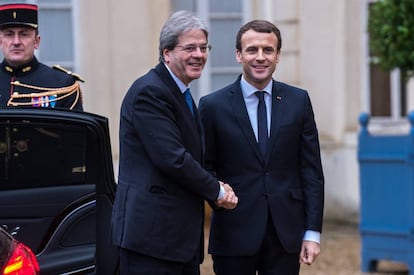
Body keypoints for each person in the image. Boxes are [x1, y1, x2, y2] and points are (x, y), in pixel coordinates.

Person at [110, 10, 238, 275]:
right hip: (150, 242)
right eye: (189, 48)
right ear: (166, 53)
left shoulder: (178, 92)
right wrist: (217, 191)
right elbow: (173, 158)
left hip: (174, 242)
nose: (199, 55)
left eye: (203, 48)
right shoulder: (150, 92)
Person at [198, 19, 325, 275]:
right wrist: (218, 195)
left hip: (285, 236)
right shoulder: (212, 106)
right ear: (238, 54)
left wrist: (312, 232)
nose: (260, 57)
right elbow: (203, 166)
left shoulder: (298, 101)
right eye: (251, 50)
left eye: (268, 50)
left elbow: (311, 171)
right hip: (233, 233)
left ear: (278, 55)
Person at [0, 3, 83, 110]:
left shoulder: (63, 84)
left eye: (24, 34)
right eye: (9, 34)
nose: (16, 42)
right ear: (1, 42)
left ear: (36, 41)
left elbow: (75, 126)